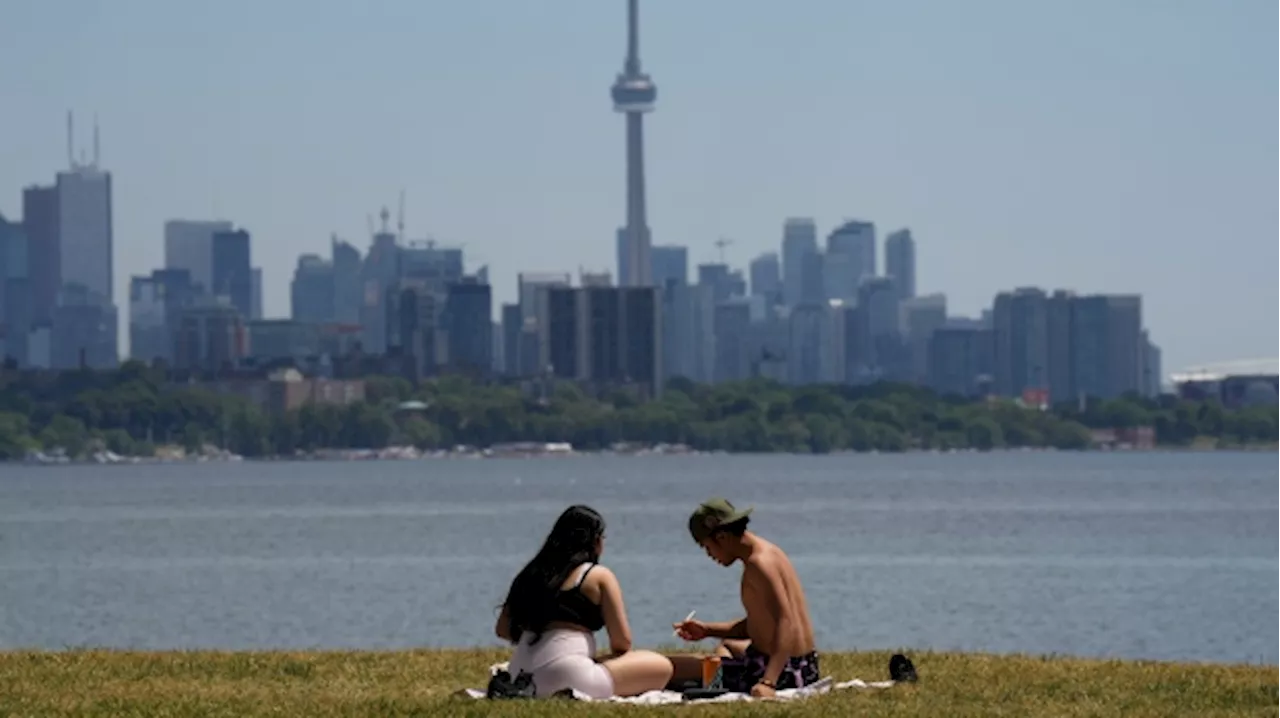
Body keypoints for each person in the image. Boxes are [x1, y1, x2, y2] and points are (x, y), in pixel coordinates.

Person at [495, 505, 672, 699]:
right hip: (569, 674)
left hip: (519, 673)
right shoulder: (597, 575)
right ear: (595, 541)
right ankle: (566, 691)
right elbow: (622, 643)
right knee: (661, 665)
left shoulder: (530, 574)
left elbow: (502, 630)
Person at [669, 498, 819, 698]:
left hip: (783, 673)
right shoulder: (769, 551)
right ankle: (715, 682)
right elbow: (761, 623)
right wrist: (706, 630)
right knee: (726, 646)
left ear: (721, 537)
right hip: (805, 667)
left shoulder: (759, 564)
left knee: (672, 666)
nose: (709, 555)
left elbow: (785, 621)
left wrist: (768, 683)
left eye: (707, 547)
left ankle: (714, 684)